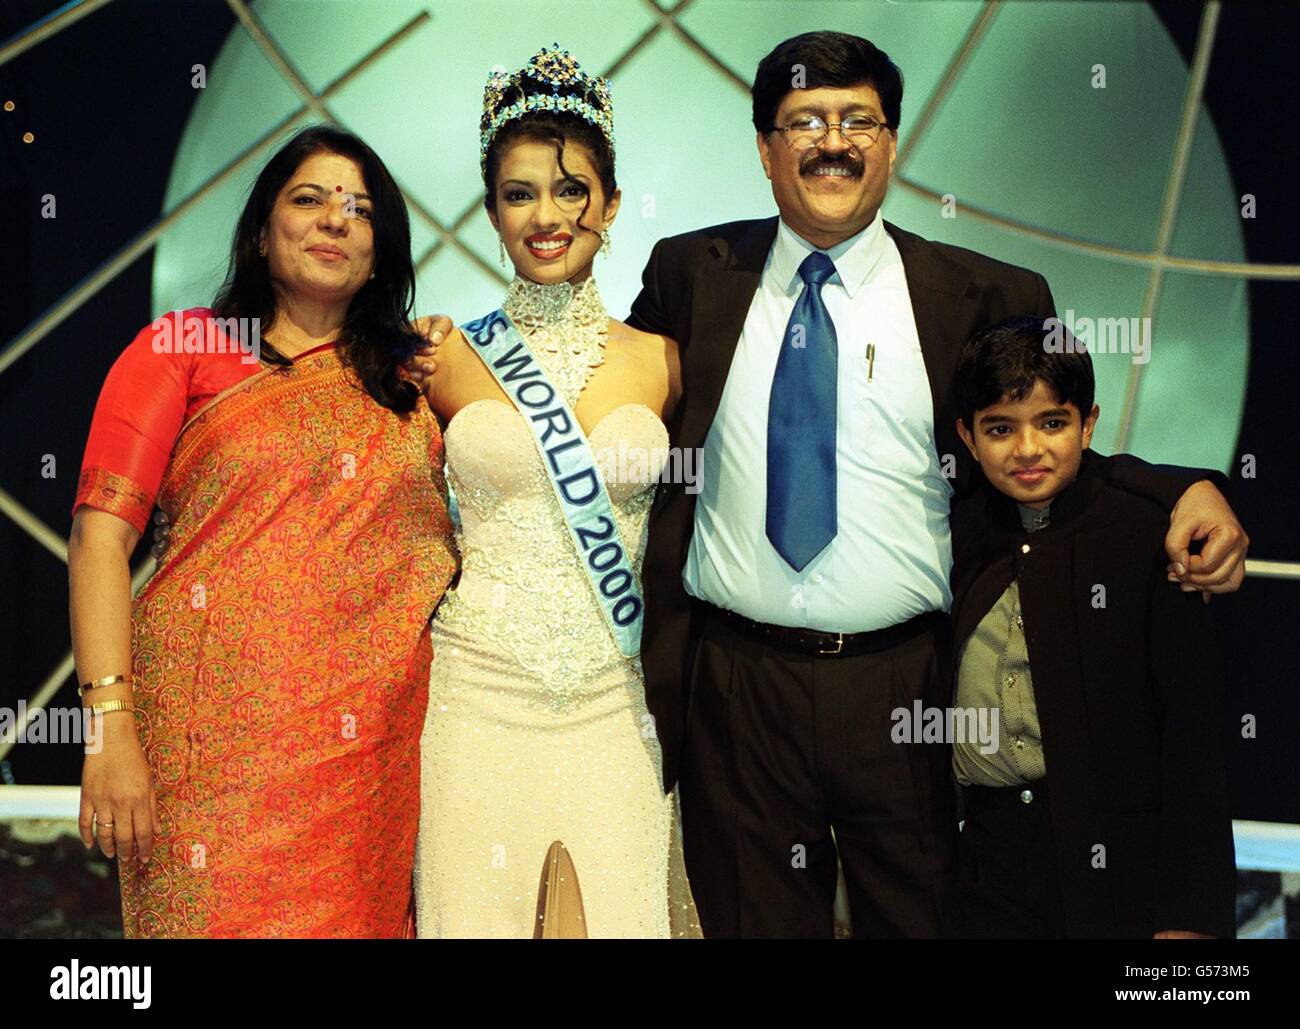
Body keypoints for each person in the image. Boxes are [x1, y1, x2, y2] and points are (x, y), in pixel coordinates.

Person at [623, 30, 1249, 937]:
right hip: (734, 691)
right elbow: (612, 397)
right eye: (804, 121)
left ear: (892, 141)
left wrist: (1178, 488)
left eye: (858, 120)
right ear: (764, 149)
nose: (832, 140)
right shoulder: (691, 272)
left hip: (909, 689)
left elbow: (1043, 444)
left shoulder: (988, 293)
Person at [70, 125, 457, 937]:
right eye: (308, 199)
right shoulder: (184, 350)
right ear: (259, 231)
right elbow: (100, 539)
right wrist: (109, 729)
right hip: (207, 762)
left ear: (381, 248)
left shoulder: (413, 381)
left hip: (371, 764)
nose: (333, 221)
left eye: (358, 210)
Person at [413, 46, 696, 937]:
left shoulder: (666, 360)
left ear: (610, 206)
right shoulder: (439, 358)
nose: (547, 215)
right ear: (492, 210)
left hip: (616, 700)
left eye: (571, 190)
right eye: (520, 192)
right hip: (475, 696)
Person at [948, 315, 1236, 938]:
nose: (1028, 450)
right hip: (984, 873)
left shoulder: (1150, 540)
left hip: (1118, 877)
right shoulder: (955, 534)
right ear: (968, 439)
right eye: (1001, 428)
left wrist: (1189, 922)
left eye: (1052, 423)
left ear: (1089, 424)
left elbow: (1192, 745)